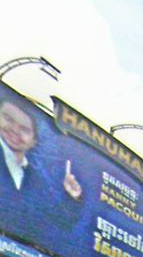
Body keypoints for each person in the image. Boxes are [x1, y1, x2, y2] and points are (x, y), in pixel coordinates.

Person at [0, 98, 83, 240]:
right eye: (8, 119)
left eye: (24, 130)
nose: (15, 130)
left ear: (33, 142)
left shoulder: (37, 180)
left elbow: (60, 222)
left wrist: (73, 197)